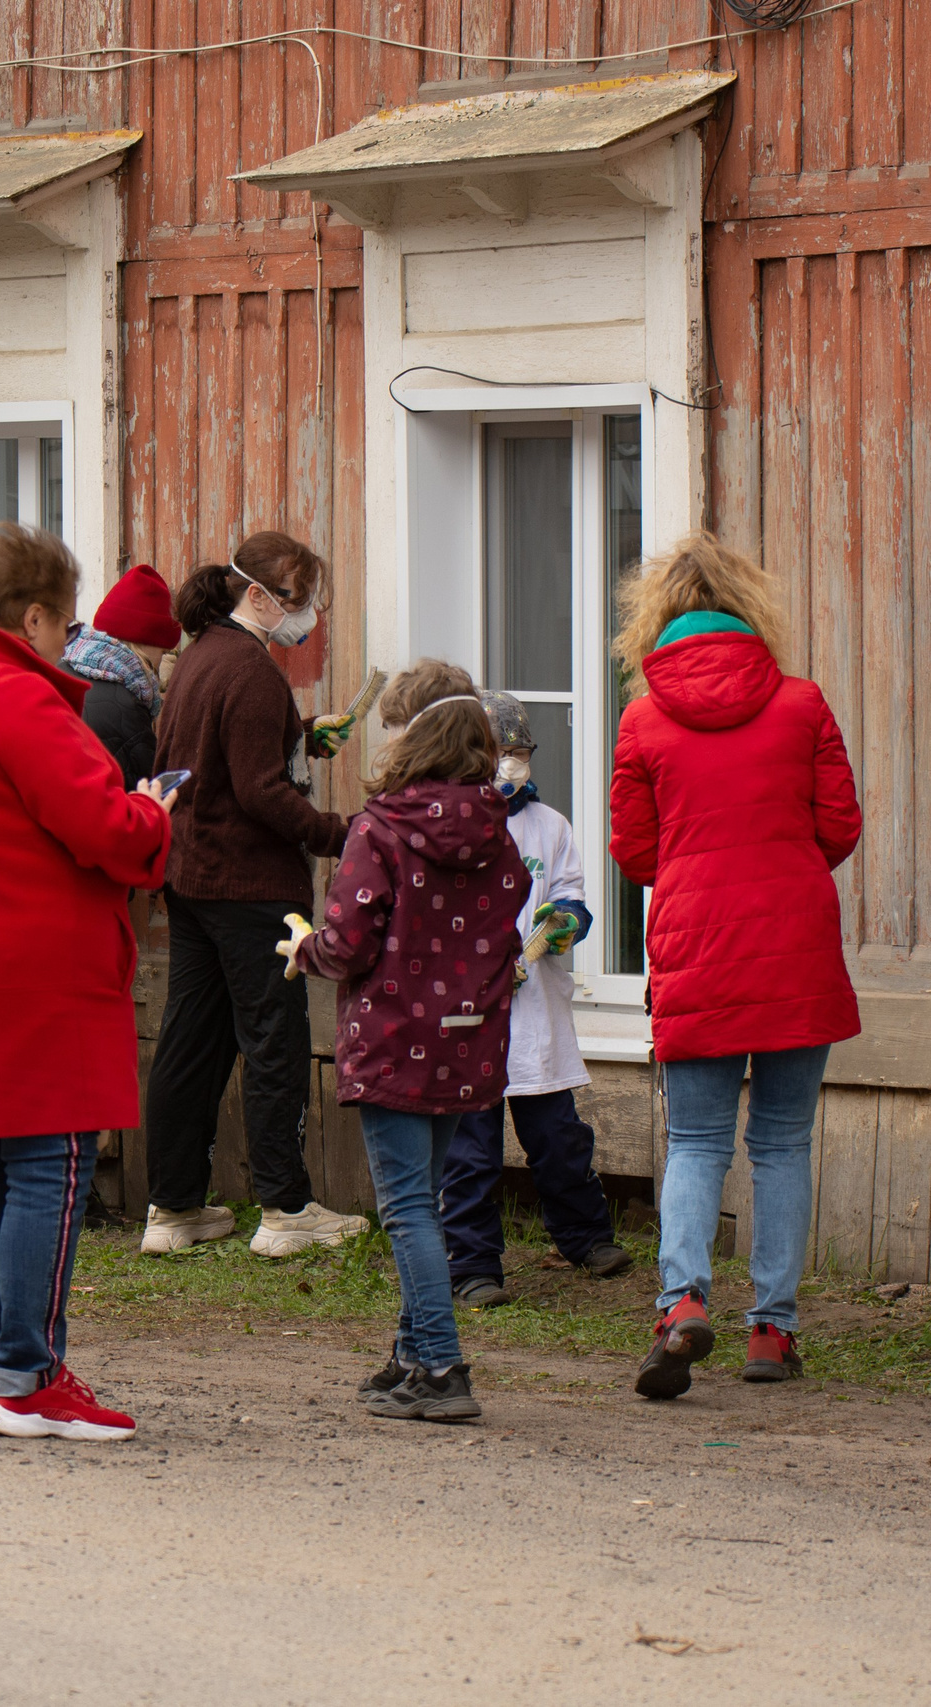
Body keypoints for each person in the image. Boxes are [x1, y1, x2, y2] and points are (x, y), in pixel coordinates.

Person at [0, 522, 175, 1441]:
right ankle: (31, 1376)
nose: (70, 638)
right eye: (64, 620)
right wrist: (154, 808)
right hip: (34, 970)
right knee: (49, 1166)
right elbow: (105, 828)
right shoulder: (21, 699)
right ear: (36, 614)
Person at [609, 533, 862, 1400]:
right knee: (782, 1142)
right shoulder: (801, 703)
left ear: (656, 625)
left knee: (698, 1140)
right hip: (794, 943)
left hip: (696, 948)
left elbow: (635, 853)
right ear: (752, 614)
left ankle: (681, 1301)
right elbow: (840, 827)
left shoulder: (642, 720)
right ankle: (772, 1328)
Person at [280, 661, 526, 1422]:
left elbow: (349, 943)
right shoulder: (500, 834)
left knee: (409, 1206)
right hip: (466, 1042)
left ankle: (444, 1366)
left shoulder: (379, 829)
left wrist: (304, 950)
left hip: (391, 1037)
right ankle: (412, 1353)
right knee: (428, 1195)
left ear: (408, 738)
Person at [142, 533, 368, 1258]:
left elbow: (215, 756)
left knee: (191, 1041)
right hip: (251, 887)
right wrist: (345, 833)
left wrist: (301, 736)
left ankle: (171, 1209)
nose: (308, 616)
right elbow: (262, 792)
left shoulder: (201, 657)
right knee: (275, 1040)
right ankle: (285, 1208)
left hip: (192, 878)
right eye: (300, 599)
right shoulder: (252, 670)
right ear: (259, 596)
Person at [438, 691, 631, 1309]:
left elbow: (571, 896)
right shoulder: (446, 822)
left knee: (558, 1139)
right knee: (471, 1150)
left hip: (536, 1014)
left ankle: (585, 1237)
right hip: (470, 1015)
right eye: (501, 753)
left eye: (520, 752)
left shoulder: (550, 827)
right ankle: (472, 1264)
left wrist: (562, 926)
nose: (512, 764)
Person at [62, 562, 181, 786]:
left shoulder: (62, 668)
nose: (162, 662)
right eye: (164, 652)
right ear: (146, 644)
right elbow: (146, 794)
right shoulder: (127, 706)